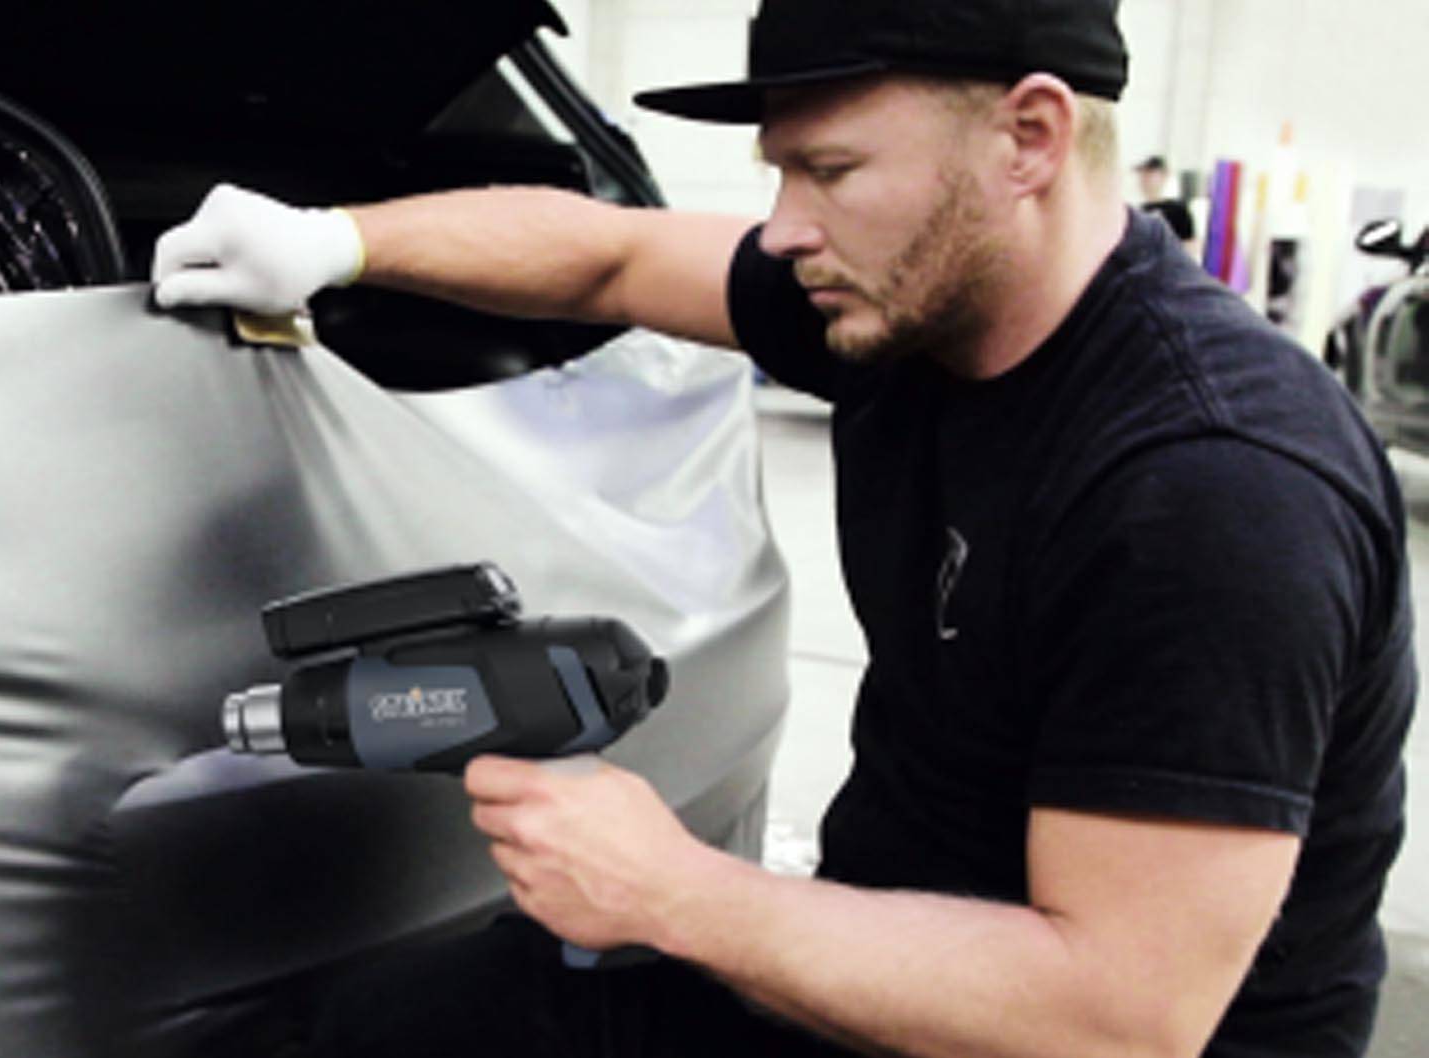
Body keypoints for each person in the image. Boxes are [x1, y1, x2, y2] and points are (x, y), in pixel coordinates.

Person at [150, 2, 1414, 1056]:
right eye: (778, 171)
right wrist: (334, 241)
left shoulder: (1207, 487)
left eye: (829, 170)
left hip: (1042, 1028)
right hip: (873, 976)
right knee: (394, 1030)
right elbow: (607, 256)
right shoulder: (904, 300)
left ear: (1026, 136)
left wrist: (677, 892)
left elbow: (1118, 1013)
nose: (784, 224)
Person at [1135, 154, 1198, 243]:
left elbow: (1190, 245)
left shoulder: (1178, 210)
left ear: (1164, 176)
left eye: (1150, 174)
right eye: (1142, 174)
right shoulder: (1139, 212)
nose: (1144, 179)